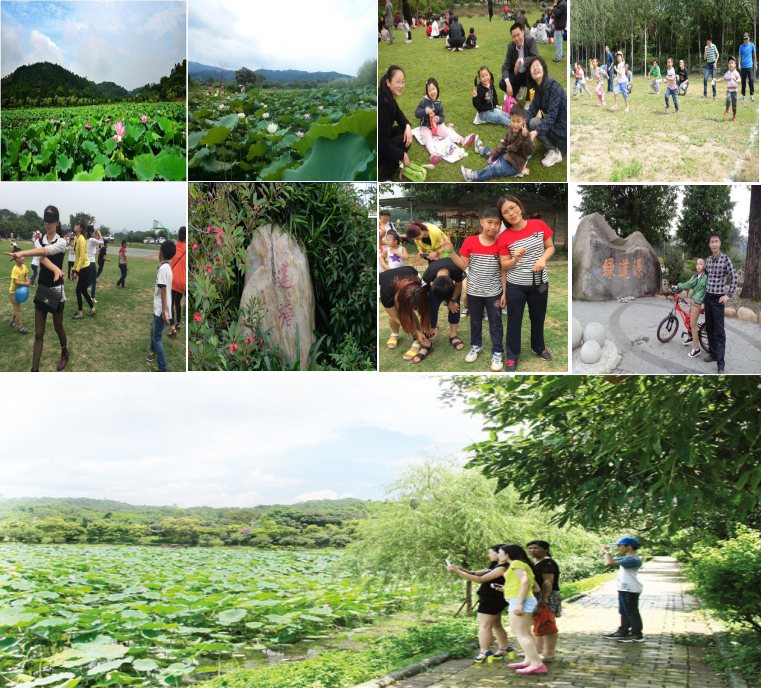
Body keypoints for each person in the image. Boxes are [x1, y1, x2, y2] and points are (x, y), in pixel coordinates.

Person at [4, 206, 69, 371]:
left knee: (58, 328)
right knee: (38, 333)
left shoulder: (61, 242)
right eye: (45, 219)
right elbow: (41, 256)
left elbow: (46, 251)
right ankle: (34, 371)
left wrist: (22, 253)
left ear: (57, 222)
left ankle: (64, 352)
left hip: (56, 290)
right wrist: (54, 268)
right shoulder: (38, 240)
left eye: (51, 220)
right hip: (42, 289)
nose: (47, 223)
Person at [441, 208, 505, 372]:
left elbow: (504, 270)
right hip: (474, 292)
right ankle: (476, 346)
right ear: (482, 222)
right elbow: (463, 265)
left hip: (494, 292)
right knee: (475, 321)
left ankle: (497, 352)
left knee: (496, 323)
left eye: (497, 223)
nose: (493, 226)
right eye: (490, 222)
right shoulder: (470, 241)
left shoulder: (502, 243)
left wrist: (504, 292)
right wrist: (449, 250)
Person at [497, 195, 554, 372]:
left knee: (538, 318)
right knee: (514, 321)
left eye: (513, 208)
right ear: (503, 217)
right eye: (505, 212)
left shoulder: (539, 225)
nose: (511, 213)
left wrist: (543, 259)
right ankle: (512, 355)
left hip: (539, 284)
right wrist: (515, 259)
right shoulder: (504, 237)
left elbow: (550, 247)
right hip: (516, 286)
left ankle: (538, 347)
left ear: (520, 207)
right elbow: (504, 265)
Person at [446, 546, 510, 662]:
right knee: (496, 625)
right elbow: (475, 573)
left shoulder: (502, 568)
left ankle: (484, 651)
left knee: (484, 626)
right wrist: (460, 569)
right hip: (493, 599)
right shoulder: (495, 567)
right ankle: (504, 648)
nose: (489, 555)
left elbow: (480, 579)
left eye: (491, 553)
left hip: (491, 600)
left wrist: (457, 571)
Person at [496, 545, 547, 674]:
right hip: (521, 599)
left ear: (508, 554)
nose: (498, 555)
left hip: (520, 601)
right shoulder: (523, 565)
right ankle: (528, 661)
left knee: (521, 633)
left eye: (500, 553)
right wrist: (507, 589)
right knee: (525, 633)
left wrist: (519, 603)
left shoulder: (516, 563)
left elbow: (525, 582)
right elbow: (536, 588)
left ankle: (537, 664)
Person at [462, 102, 534, 180]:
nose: (515, 124)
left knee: (494, 168)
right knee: (493, 153)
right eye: (513, 121)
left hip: (514, 165)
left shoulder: (526, 135)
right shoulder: (510, 130)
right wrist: (494, 152)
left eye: (518, 121)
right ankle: (481, 149)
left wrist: (526, 137)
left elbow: (530, 151)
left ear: (524, 121)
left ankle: (473, 176)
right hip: (507, 156)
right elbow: (504, 144)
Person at [415, 78, 476, 164]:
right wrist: (425, 110)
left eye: (433, 89)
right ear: (427, 92)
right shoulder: (424, 101)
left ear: (437, 89)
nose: (432, 92)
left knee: (447, 131)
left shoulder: (439, 103)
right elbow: (417, 114)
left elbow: (442, 117)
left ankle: (462, 140)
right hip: (425, 126)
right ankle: (434, 154)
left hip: (436, 125)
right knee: (427, 138)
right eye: (429, 90)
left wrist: (438, 119)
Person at [379, 265, 433, 361]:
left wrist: (428, 326)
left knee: (409, 310)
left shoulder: (420, 285)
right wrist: (416, 332)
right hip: (387, 280)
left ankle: (417, 341)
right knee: (396, 313)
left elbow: (427, 309)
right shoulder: (386, 293)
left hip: (409, 272)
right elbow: (396, 317)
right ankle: (395, 332)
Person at [703, 231, 738, 376]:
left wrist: (728, 295)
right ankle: (713, 354)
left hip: (718, 300)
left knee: (719, 332)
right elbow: (705, 276)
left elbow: (734, 277)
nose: (714, 244)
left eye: (716, 241)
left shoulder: (725, 260)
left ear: (720, 243)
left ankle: (721, 365)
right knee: (709, 329)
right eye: (712, 242)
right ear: (710, 244)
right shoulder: (708, 260)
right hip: (708, 298)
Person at [525, 56, 567, 167]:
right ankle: (524, 147)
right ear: (530, 74)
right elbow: (532, 109)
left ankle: (556, 152)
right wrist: (523, 123)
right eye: (532, 67)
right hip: (556, 124)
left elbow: (552, 116)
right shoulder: (538, 89)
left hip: (563, 129)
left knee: (535, 124)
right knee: (530, 122)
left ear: (543, 68)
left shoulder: (553, 86)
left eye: (538, 65)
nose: (535, 68)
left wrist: (537, 131)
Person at [601, 537, 644, 643]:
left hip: (630, 588)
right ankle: (623, 631)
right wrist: (606, 553)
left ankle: (636, 634)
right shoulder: (627, 558)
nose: (618, 547)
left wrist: (606, 551)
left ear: (629, 546)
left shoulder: (633, 559)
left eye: (620, 545)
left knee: (631, 612)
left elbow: (609, 563)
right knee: (624, 611)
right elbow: (610, 560)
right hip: (624, 588)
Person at [527, 540, 561, 660]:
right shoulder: (537, 563)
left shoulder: (548, 563)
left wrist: (544, 598)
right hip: (538, 596)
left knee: (547, 623)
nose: (532, 550)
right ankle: (537, 650)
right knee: (538, 622)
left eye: (535, 548)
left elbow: (548, 582)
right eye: (530, 548)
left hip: (547, 596)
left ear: (545, 549)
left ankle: (549, 651)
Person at [423, 256, 465, 351]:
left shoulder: (458, 270)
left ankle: (453, 335)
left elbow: (458, 287)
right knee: (431, 308)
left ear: (453, 282)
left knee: (455, 307)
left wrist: (452, 301)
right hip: (436, 286)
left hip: (451, 287)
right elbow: (425, 296)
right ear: (431, 283)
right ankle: (430, 332)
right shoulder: (427, 276)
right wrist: (434, 323)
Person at [379, 66, 412, 182]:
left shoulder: (388, 96)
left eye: (402, 82)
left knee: (404, 132)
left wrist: (407, 126)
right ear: (388, 82)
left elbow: (399, 114)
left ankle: (394, 159)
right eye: (398, 82)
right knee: (405, 142)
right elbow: (382, 144)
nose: (401, 85)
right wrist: (403, 155)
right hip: (376, 151)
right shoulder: (383, 104)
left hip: (381, 141)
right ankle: (385, 176)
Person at [146, 240, 175, 372]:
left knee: (157, 337)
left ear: (161, 252)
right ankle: (152, 351)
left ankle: (162, 368)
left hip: (160, 310)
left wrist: (163, 312)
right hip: (159, 309)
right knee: (153, 329)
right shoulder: (166, 267)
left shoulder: (164, 269)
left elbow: (163, 290)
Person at [673, 257, 707, 358]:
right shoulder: (697, 277)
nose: (698, 265)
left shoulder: (706, 277)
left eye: (700, 264)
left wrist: (704, 302)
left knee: (693, 324)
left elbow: (708, 291)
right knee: (688, 319)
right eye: (697, 264)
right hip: (693, 302)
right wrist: (677, 286)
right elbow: (688, 284)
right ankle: (690, 336)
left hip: (698, 304)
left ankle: (696, 348)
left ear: (704, 266)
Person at [500, 25, 539, 100]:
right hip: (518, 74)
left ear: (523, 32)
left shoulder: (530, 41)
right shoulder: (511, 46)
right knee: (502, 83)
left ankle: (528, 99)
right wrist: (508, 84)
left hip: (529, 74)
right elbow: (505, 66)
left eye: (518, 35)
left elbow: (536, 57)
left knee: (534, 74)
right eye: (514, 36)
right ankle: (518, 88)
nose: (516, 39)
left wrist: (521, 60)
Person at [71, 220, 95, 320]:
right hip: (82, 267)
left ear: (81, 228)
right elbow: (77, 257)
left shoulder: (81, 240)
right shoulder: (76, 238)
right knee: (83, 291)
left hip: (85, 268)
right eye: (75, 224)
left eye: (77, 224)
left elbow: (81, 257)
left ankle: (80, 313)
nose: (75, 225)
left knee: (78, 290)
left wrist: (76, 271)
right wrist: (74, 269)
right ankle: (93, 309)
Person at [169, 227, 187, 339]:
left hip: (173, 280)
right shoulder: (187, 249)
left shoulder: (174, 247)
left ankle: (172, 327)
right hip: (182, 282)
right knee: (177, 302)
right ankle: (178, 322)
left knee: (170, 303)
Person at [8, 253, 30, 335]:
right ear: (16, 259)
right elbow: (16, 282)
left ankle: (12, 321)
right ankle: (20, 327)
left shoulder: (24, 267)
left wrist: (27, 280)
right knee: (18, 309)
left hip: (20, 292)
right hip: (14, 293)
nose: (23, 257)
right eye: (21, 256)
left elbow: (25, 274)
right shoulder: (15, 269)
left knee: (16, 308)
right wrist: (26, 284)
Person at [716, 57, 741, 121]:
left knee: (734, 105)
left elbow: (740, 80)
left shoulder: (736, 73)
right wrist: (717, 81)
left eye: (732, 63)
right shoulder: (727, 73)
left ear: (735, 65)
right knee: (728, 99)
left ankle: (734, 115)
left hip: (734, 91)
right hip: (729, 90)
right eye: (729, 63)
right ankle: (727, 110)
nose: (730, 64)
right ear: (728, 65)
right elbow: (723, 78)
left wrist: (736, 80)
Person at [86, 226, 103, 301]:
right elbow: (102, 242)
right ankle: (92, 297)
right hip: (92, 262)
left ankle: (81, 294)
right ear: (91, 232)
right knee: (93, 281)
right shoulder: (91, 240)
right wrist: (99, 233)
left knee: (86, 280)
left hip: (86, 262)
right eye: (93, 232)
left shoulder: (87, 240)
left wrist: (96, 235)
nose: (93, 233)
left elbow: (95, 244)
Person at [738, 33, 757, 101]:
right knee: (743, 81)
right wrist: (739, 63)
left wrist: (755, 64)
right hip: (743, 66)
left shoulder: (752, 45)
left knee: (751, 80)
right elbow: (740, 56)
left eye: (746, 38)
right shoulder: (741, 46)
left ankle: (751, 95)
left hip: (750, 66)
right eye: (744, 39)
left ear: (749, 38)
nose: (745, 40)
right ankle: (743, 95)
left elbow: (754, 55)